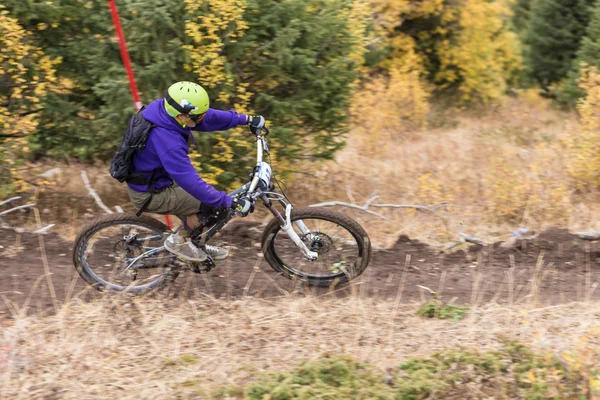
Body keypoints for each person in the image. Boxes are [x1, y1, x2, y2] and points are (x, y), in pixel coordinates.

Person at [127, 81, 265, 262]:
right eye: (198, 117)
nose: (202, 119)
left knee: (210, 198)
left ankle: (194, 241)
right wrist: (228, 202)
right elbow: (188, 179)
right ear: (183, 116)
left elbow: (209, 118)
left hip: (158, 179)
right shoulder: (168, 141)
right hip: (150, 193)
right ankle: (180, 241)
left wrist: (245, 119)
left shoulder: (165, 109)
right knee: (214, 206)